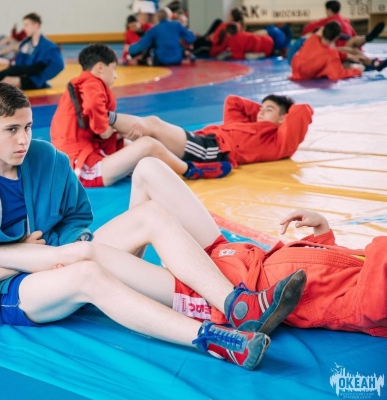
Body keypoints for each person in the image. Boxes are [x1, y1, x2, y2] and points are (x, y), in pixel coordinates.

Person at [0, 82, 308, 370]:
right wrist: (22, 259)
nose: (23, 140)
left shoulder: (47, 158)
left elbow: (78, 215)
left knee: (149, 214)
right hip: (11, 292)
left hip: (61, 255)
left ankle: (238, 305)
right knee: (88, 273)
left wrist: (58, 250)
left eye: (26, 127)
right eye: (11, 130)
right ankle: (214, 340)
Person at [123, 158, 386, 337]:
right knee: (148, 169)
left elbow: (357, 299)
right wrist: (323, 232)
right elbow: (328, 275)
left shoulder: (369, 304)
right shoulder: (368, 269)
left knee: (105, 254)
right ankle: (125, 276)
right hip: (234, 258)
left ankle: (118, 282)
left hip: (221, 293)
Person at [50, 44, 232, 188]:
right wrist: (104, 129)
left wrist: (115, 135)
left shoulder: (79, 85)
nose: (115, 76)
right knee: (148, 144)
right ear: (100, 68)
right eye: (113, 69)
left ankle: (179, 162)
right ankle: (190, 170)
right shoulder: (91, 83)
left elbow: (87, 124)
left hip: (79, 159)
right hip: (82, 168)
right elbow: (94, 109)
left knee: (132, 143)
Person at [108, 92, 313, 168]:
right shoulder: (245, 123)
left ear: (284, 118)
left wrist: (279, 119)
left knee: (153, 125)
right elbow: (233, 102)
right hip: (204, 141)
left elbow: (302, 110)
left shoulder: (278, 141)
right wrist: (263, 111)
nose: (260, 112)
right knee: (136, 142)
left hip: (212, 150)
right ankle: (104, 135)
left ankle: (104, 116)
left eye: (268, 110)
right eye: (260, 108)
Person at [0, 13, 64, 90]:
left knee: (5, 81)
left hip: (33, 79)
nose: (24, 28)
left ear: (36, 25)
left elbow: (59, 65)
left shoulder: (49, 46)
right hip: (21, 73)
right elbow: (20, 64)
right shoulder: (26, 43)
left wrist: (42, 78)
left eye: (27, 25)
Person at [290, 21, 381, 81]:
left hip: (296, 67)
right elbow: (337, 75)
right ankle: (370, 62)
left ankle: (370, 61)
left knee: (349, 49)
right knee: (350, 48)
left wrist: (350, 57)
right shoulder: (331, 55)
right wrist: (358, 70)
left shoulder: (313, 39)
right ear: (336, 37)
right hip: (303, 73)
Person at [302, 1, 385, 49]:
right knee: (354, 41)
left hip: (339, 48)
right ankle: (366, 38)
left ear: (329, 10)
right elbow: (354, 35)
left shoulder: (329, 20)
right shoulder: (345, 21)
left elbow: (308, 28)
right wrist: (359, 49)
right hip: (351, 45)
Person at [128, 8, 194, 66]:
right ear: (170, 16)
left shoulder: (154, 30)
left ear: (157, 18)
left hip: (161, 61)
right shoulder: (177, 25)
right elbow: (190, 38)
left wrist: (129, 49)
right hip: (177, 60)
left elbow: (141, 46)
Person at [219, 23, 292, 60]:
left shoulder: (233, 42)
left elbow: (239, 56)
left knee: (248, 55)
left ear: (228, 33)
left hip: (267, 49)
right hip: (268, 41)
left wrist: (229, 55)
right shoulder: (242, 34)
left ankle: (260, 54)